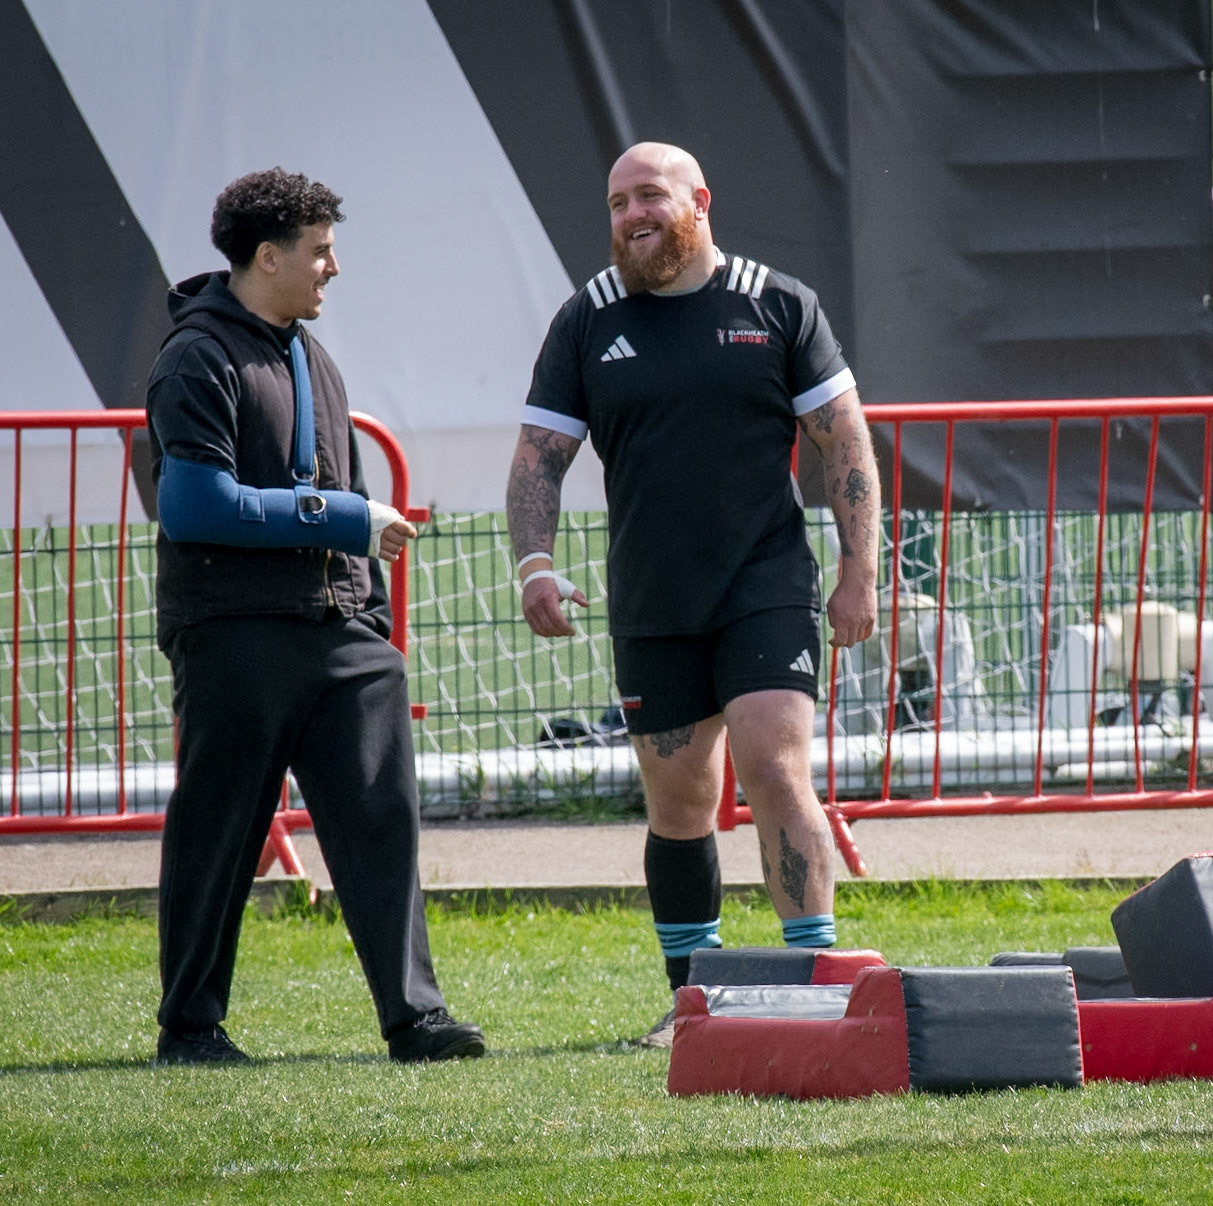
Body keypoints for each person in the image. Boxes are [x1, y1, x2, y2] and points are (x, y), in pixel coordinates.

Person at [506, 141, 882, 1045]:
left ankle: (812, 983)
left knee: (775, 768)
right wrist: (535, 564)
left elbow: (843, 442)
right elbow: (537, 461)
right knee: (679, 803)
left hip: (764, 584)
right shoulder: (585, 321)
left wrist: (858, 569)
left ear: (699, 201)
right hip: (650, 599)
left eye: (649, 196)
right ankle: (693, 1005)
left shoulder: (779, 304)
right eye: (616, 203)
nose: (632, 216)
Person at [146, 168, 484, 1064]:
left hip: (338, 631)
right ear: (268, 256)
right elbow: (194, 508)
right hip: (232, 630)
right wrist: (340, 522)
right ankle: (189, 1028)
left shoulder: (308, 351)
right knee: (220, 831)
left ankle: (415, 1019)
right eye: (320, 251)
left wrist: (368, 621)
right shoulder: (196, 359)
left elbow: (350, 492)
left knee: (382, 820)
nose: (333, 268)